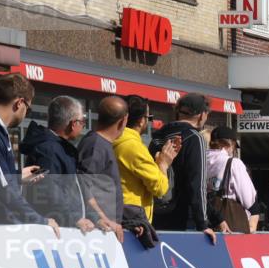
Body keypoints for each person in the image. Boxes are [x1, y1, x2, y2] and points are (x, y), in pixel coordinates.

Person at [0, 73, 59, 235]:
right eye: (28, 109)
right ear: (19, 103)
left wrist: (17, 176)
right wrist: (40, 221)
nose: (25, 114)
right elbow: (4, 189)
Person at [19, 95, 94, 232]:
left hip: (65, 228)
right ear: (73, 124)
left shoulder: (59, 148)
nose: (83, 126)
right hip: (54, 232)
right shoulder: (49, 149)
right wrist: (75, 218)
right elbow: (48, 191)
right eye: (83, 121)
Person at [150, 94, 218, 240]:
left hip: (154, 212)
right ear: (202, 115)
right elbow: (197, 184)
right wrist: (203, 223)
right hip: (183, 216)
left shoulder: (157, 137)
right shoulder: (194, 138)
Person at [113, 95, 179, 240]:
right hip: (133, 222)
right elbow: (160, 188)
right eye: (149, 118)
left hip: (119, 215)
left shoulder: (114, 139)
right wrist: (163, 164)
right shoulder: (134, 147)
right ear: (141, 120)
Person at [76, 96, 128, 243]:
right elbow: (82, 185)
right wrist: (102, 218)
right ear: (123, 120)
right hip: (97, 234)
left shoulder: (100, 143)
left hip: (106, 231)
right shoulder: (96, 146)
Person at [207, 126, 258, 233]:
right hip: (228, 223)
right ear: (230, 144)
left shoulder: (201, 160)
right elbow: (248, 198)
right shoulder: (234, 163)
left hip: (204, 220)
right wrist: (255, 214)